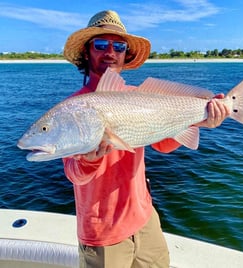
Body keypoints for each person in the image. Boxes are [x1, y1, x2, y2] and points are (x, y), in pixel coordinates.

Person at [63, 10, 230, 268]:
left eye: (118, 45)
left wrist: (200, 120)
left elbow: (162, 144)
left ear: (125, 54)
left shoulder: (137, 95)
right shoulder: (73, 108)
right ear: (87, 52)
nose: (110, 51)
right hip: (103, 234)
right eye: (100, 44)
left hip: (145, 219)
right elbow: (74, 173)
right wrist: (88, 160)